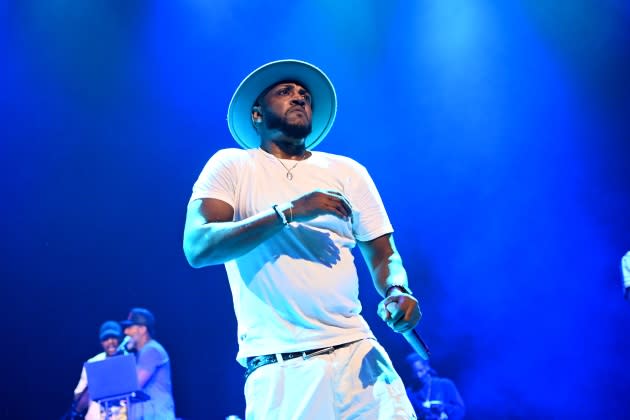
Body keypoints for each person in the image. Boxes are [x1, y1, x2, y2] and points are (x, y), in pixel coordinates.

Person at [183, 59, 421, 419]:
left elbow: (384, 254)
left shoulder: (348, 171)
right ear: (257, 115)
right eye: (285, 92)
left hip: (359, 356)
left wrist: (397, 291)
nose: (299, 98)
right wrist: (288, 212)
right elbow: (198, 246)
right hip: (282, 369)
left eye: (304, 95)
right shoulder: (231, 165)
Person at [120, 307, 176, 420]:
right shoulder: (140, 354)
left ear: (142, 329)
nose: (126, 332)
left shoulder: (152, 350)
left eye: (130, 327)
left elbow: (134, 385)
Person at [68, 320, 122, 420]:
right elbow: (79, 394)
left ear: (120, 339)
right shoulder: (93, 362)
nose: (111, 342)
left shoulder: (129, 360)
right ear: (101, 342)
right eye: (106, 339)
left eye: (114, 337)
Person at [405, 353, 465, 420]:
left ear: (427, 367)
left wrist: (444, 408)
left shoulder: (445, 384)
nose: (419, 376)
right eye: (414, 373)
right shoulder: (409, 393)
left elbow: (460, 410)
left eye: (421, 370)